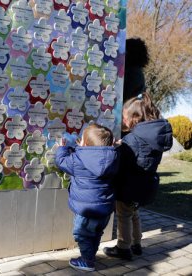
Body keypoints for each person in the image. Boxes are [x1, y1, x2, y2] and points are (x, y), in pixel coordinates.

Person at [103, 92, 173, 260]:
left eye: (125, 117)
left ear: (134, 118)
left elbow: (124, 162)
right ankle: (137, 244)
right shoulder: (153, 137)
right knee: (134, 213)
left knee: (123, 215)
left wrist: (118, 148)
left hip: (129, 185)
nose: (124, 120)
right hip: (144, 185)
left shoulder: (133, 139)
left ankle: (123, 247)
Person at [55, 124, 119, 272]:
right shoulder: (115, 157)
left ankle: (86, 261)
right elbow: (99, 156)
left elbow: (62, 161)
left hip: (86, 210)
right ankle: (90, 255)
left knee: (82, 234)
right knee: (96, 233)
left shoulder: (77, 159)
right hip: (105, 209)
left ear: (85, 143)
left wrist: (62, 149)